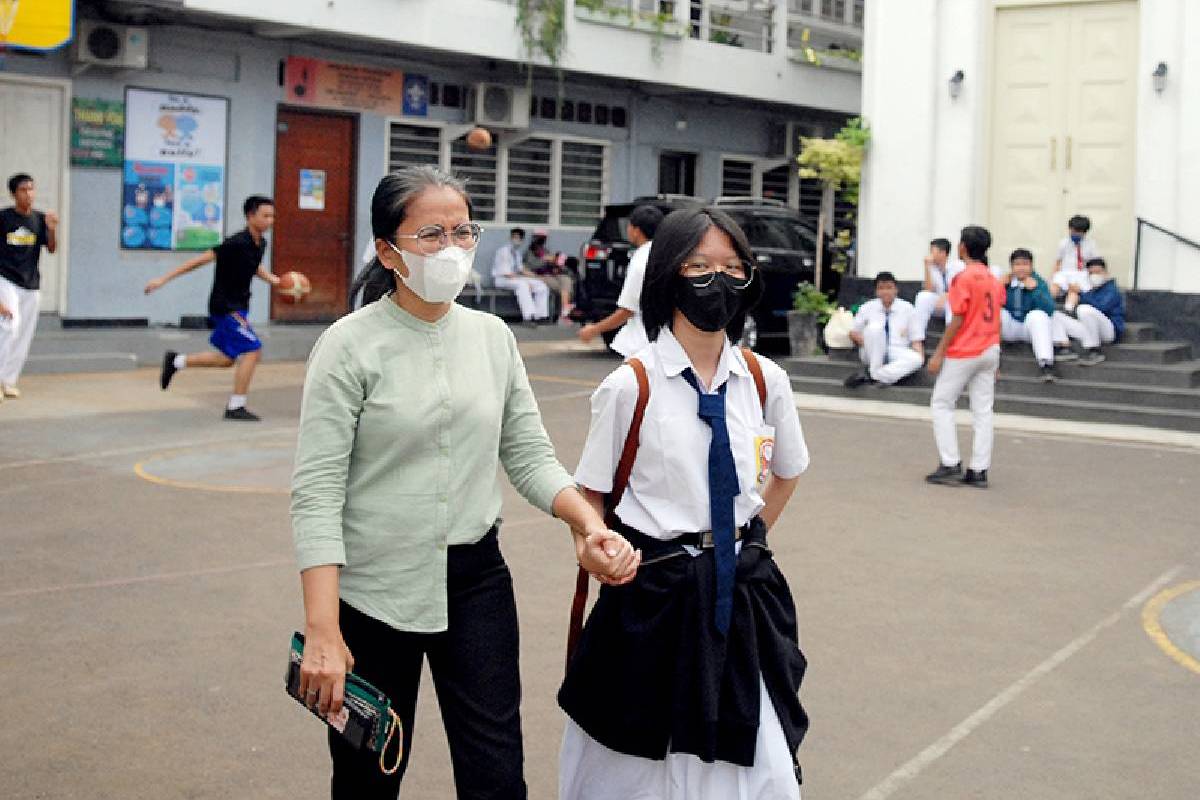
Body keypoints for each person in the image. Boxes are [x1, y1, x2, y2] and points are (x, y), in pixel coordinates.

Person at [291, 166, 639, 800]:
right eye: (430, 233)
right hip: (372, 593)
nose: (450, 248)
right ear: (387, 250)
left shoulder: (493, 338)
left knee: (496, 776)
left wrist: (589, 523)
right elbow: (317, 493)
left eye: (462, 231)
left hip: (475, 583)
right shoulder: (348, 347)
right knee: (366, 779)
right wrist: (322, 629)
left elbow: (530, 457)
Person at [560, 206, 811, 800]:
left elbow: (787, 472)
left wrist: (738, 542)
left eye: (731, 268)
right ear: (668, 275)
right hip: (654, 598)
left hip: (741, 600)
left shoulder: (765, 378)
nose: (717, 282)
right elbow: (590, 494)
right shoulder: (631, 384)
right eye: (699, 267)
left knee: (754, 754)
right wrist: (595, 544)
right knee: (637, 760)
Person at [145, 195, 281, 420]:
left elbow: (254, 266)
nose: (270, 220)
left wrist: (275, 281)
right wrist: (163, 279)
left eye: (273, 216)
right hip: (226, 307)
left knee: (227, 359)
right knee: (252, 350)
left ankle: (177, 361)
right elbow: (198, 261)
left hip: (239, 306)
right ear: (250, 216)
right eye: (265, 215)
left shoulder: (260, 243)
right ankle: (235, 406)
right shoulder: (235, 243)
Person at [926, 225, 1005, 489]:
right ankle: (979, 469)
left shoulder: (964, 277)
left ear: (962, 247)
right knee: (983, 410)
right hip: (989, 347)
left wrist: (939, 353)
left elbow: (957, 317)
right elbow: (997, 318)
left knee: (942, 403)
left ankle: (950, 462)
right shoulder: (993, 278)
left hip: (966, 349)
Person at [0, 173, 58, 401]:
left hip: (31, 285)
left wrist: (52, 229)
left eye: (32, 189)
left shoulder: (39, 219)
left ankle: (9, 381)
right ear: (14, 194)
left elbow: (52, 248)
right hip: (6, 280)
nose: (29, 194)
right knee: (8, 327)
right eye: (24, 190)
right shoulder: (3, 219)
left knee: (23, 335)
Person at [578, 205, 663, 356]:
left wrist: (594, 329)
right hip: (663, 341)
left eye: (629, 225)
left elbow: (627, 310)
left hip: (641, 343)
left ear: (636, 230)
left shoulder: (640, 260)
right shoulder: (665, 255)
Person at [844, 271, 923, 387]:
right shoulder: (866, 308)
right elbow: (853, 332)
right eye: (881, 288)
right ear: (876, 291)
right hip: (872, 351)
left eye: (889, 288)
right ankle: (879, 373)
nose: (886, 292)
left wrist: (919, 357)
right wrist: (862, 339)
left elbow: (916, 339)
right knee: (875, 328)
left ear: (896, 290)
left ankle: (873, 375)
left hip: (896, 350)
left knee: (917, 359)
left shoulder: (908, 309)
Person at [1001, 248, 1059, 382]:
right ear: (1011, 267)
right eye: (1017, 264)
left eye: (1025, 264)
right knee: (999, 313)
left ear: (1031, 266)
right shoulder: (1006, 283)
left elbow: (1049, 310)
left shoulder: (1039, 283)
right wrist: (998, 288)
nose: (1021, 268)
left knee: (1038, 315)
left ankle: (1046, 364)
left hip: (1030, 330)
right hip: (1010, 328)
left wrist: (1035, 291)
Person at [1054, 257, 1124, 366]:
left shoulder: (1112, 290)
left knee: (1084, 309)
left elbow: (1101, 307)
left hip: (1109, 331)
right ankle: (1065, 347)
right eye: (1091, 273)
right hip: (1091, 331)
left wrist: (1081, 293)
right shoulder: (1091, 290)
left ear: (1105, 273)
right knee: (1055, 315)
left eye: (1097, 272)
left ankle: (1094, 351)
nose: (1094, 276)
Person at [493, 225, 550, 325]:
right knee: (522, 285)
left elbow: (521, 269)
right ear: (510, 238)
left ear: (522, 240)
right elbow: (507, 274)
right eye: (514, 237)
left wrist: (537, 277)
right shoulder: (503, 252)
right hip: (502, 280)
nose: (516, 240)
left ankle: (540, 315)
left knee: (541, 285)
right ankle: (529, 317)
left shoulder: (517, 253)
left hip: (515, 278)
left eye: (519, 238)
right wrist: (525, 281)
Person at [910, 237, 958, 347]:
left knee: (953, 300)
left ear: (943, 253)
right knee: (923, 296)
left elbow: (960, 289)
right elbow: (928, 289)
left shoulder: (957, 266)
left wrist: (947, 295)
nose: (930, 254)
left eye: (933, 251)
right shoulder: (932, 268)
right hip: (939, 303)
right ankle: (918, 339)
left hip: (953, 304)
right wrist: (927, 267)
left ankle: (951, 338)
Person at [525, 229, 574, 324]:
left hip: (551, 275)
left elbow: (552, 266)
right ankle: (564, 314)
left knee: (566, 279)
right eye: (539, 237)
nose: (541, 240)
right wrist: (545, 260)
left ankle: (564, 312)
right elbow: (532, 266)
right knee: (565, 288)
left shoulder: (546, 250)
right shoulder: (529, 252)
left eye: (543, 238)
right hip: (538, 277)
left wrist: (555, 263)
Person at [1051, 214, 1098, 303]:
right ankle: (1046, 309)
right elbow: (1058, 262)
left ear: (1085, 232)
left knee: (1073, 293)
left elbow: (1095, 264)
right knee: (1053, 288)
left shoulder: (1091, 245)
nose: (1075, 234)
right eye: (1073, 231)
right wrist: (1053, 277)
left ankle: (1068, 311)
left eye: (1078, 232)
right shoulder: (1063, 243)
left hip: (1081, 274)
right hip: (1065, 272)